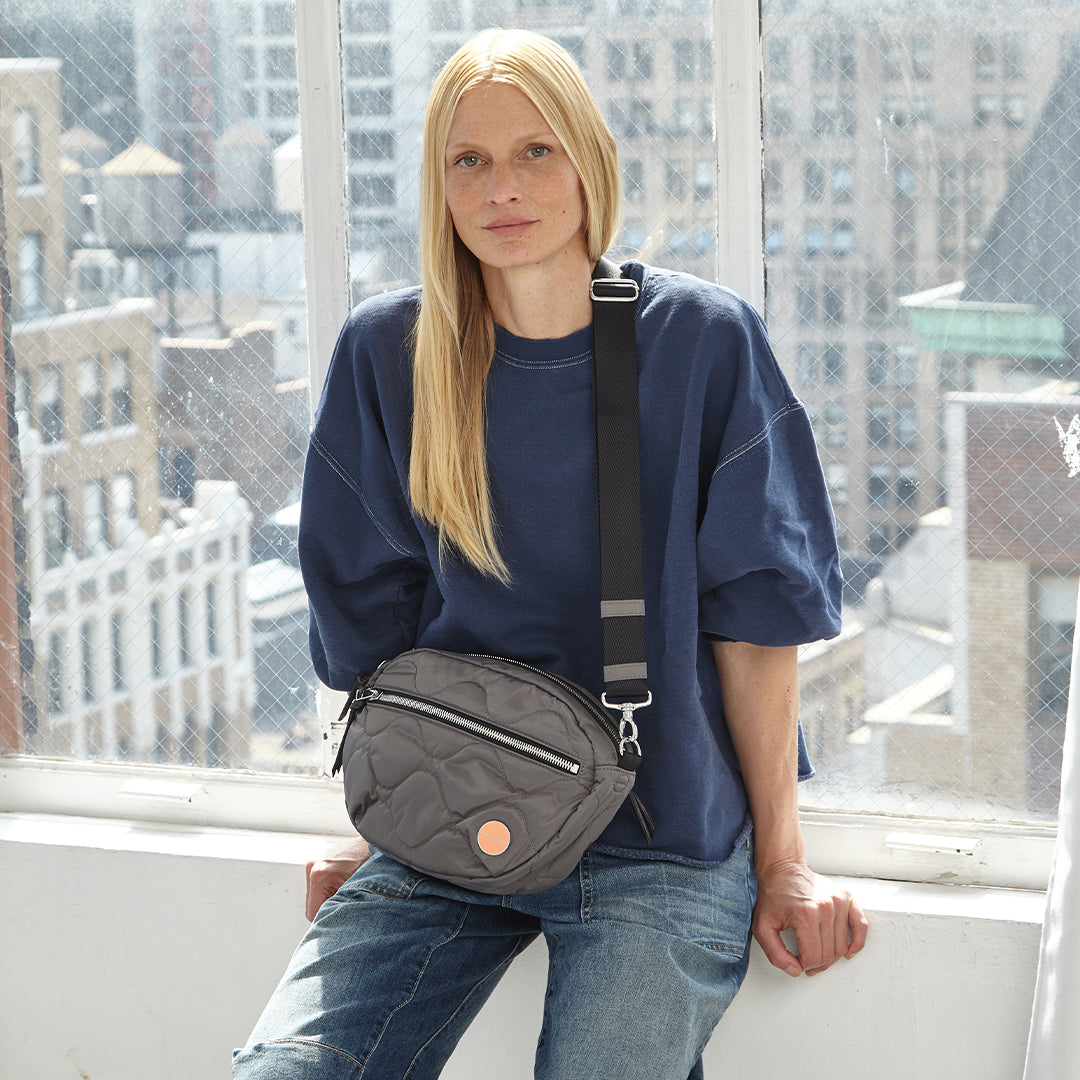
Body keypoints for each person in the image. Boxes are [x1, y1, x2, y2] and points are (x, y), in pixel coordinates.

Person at [233, 27, 867, 1080]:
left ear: (590, 161)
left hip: (661, 842)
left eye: (536, 151)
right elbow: (370, 641)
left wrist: (784, 862)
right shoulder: (389, 357)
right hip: (449, 833)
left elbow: (758, 620)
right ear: (437, 185)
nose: (502, 188)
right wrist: (382, 822)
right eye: (468, 160)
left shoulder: (703, 343)